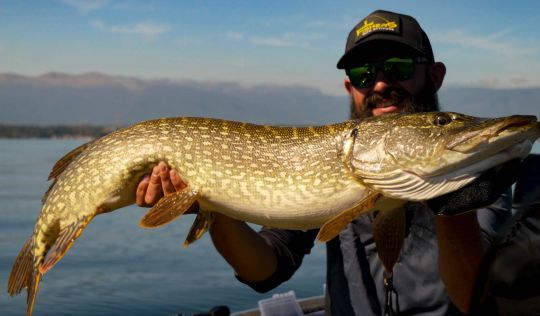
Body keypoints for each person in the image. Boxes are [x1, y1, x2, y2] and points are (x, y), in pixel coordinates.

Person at [136, 10, 517, 315]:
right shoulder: (334, 160)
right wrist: (216, 206)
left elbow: (477, 303)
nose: (380, 84)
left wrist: (456, 213)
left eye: (398, 67)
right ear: (350, 88)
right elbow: (264, 269)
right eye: (363, 74)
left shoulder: (478, 174)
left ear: (434, 76)